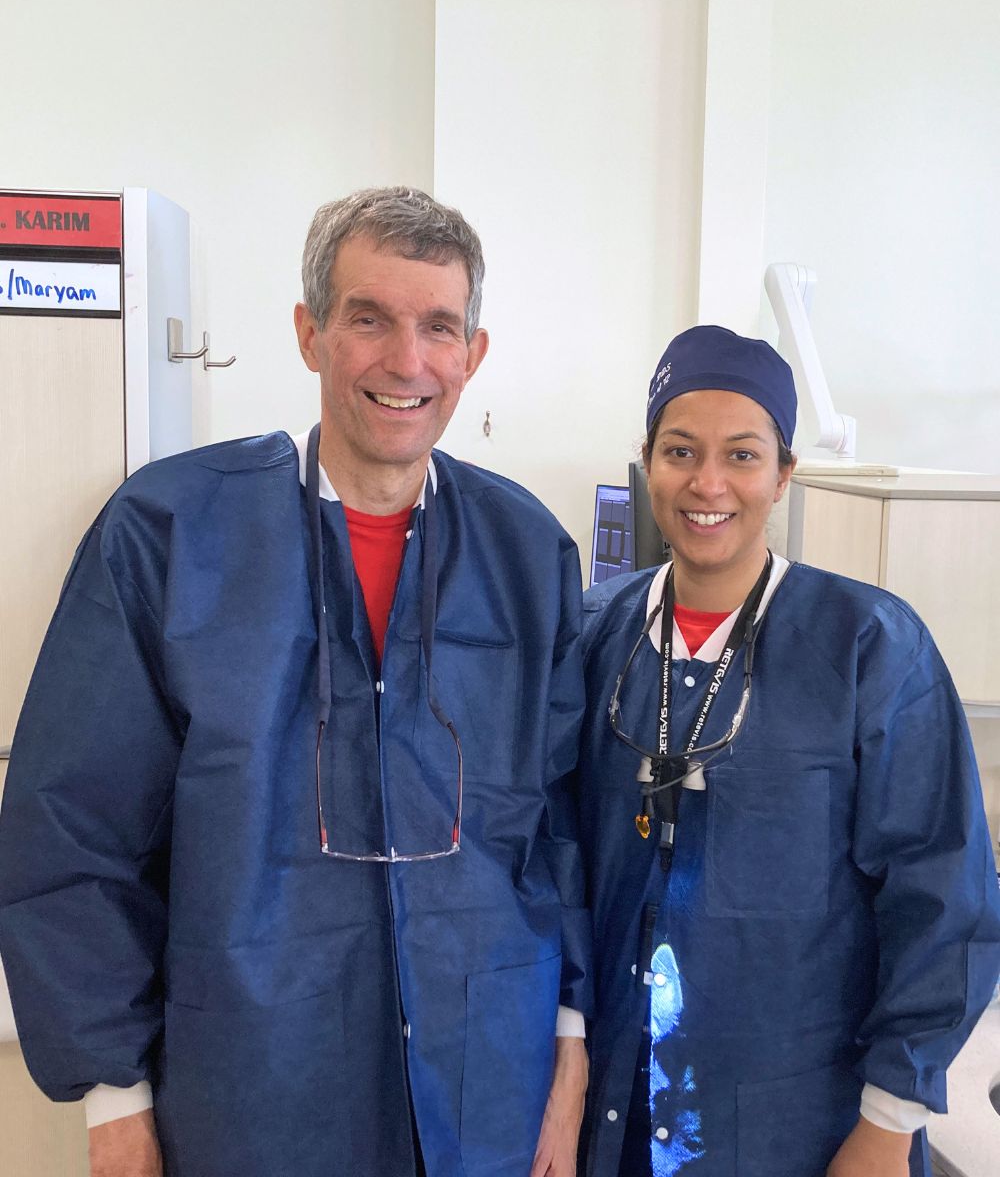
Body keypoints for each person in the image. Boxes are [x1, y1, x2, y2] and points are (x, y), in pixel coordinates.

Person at [0, 187, 591, 1177]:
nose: (406, 361)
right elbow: (74, 825)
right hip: (250, 1089)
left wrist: (568, 1061)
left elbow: (570, 828)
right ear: (310, 333)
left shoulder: (527, 555)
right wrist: (114, 1096)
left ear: (472, 355)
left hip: (486, 1082)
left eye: (438, 327)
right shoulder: (171, 538)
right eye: (369, 319)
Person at [574, 326, 1000, 1177]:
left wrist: (887, 1121)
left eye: (742, 454)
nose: (708, 484)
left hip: (802, 1117)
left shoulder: (870, 647)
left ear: (783, 473)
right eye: (680, 450)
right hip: (614, 1098)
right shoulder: (594, 632)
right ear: (647, 461)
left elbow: (944, 897)